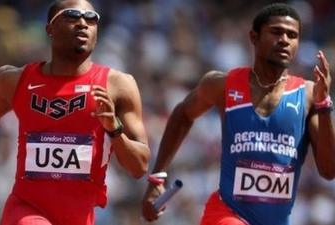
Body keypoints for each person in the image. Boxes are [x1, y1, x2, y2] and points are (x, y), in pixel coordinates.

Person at [0, 0, 151, 224]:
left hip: (79, 217)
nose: (82, 24)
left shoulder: (118, 86)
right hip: (25, 211)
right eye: (72, 16)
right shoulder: (15, 81)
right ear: (49, 28)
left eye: (91, 19)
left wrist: (115, 130)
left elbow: (139, 166)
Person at [142, 3, 335, 225]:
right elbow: (183, 114)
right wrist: (157, 178)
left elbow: (329, 171)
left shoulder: (309, 95)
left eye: (292, 35)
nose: (284, 40)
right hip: (226, 214)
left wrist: (324, 104)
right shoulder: (222, 85)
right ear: (254, 37)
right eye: (276, 32)